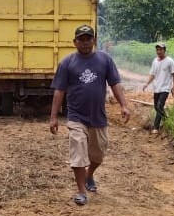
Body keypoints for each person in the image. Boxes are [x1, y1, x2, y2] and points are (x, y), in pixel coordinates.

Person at [49, 24, 130, 206]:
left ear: (94, 40)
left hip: (98, 117)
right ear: (74, 42)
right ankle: (81, 191)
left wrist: (124, 105)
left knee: (98, 154)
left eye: (88, 39)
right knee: (78, 152)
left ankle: (89, 174)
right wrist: (53, 117)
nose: (85, 43)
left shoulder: (105, 60)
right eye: (81, 39)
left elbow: (115, 84)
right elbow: (59, 91)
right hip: (76, 116)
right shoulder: (67, 63)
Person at [142, 43, 174, 134]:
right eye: (157, 50)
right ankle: (166, 119)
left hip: (165, 88)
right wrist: (146, 84)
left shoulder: (170, 61)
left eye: (161, 49)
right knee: (156, 107)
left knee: (159, 106)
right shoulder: (155, 61)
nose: (159, 51)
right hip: (156, 88)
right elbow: (152, 74)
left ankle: (156, 127)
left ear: (164, 50)